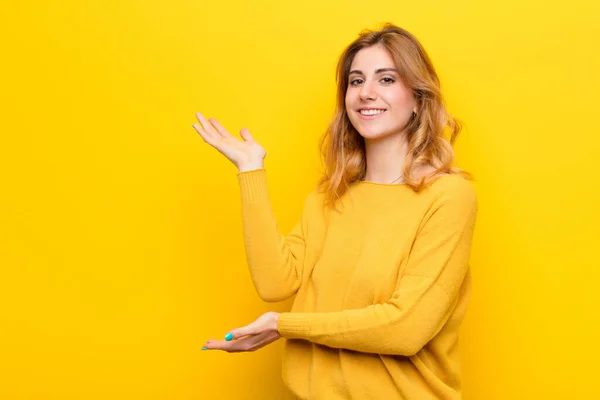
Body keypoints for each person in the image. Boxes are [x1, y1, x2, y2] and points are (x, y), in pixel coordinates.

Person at [192, 23, 478, 400]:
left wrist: (284, 326)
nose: (366, 93)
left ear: (417, 97)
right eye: (355, 81)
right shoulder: (331, 196)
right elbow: (276, 283)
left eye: (387, 79)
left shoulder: (448, 196)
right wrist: (250, 170)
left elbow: (405, 328)